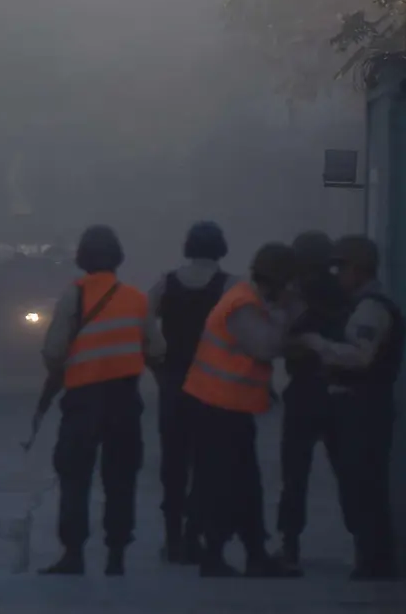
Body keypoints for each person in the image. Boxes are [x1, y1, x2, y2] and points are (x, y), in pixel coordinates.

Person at [33, 225, 165, 577]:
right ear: (117, 257)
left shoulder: (73, 296)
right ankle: (116, 555)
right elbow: (157, 349)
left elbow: (54, 351)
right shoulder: (137, 299)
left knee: (75, 478)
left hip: (83, 402)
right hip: (124, 401)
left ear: (82, 259)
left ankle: (73, 554)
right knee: (121, 480)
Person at [185, 242, 300, 578]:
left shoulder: (248, 298)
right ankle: (216, 555)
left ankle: (251, 553)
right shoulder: (243, 305)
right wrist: (285, 315)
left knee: (244, 483)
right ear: (277, 280)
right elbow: (264, 347)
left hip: (229, 406)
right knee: (225, 483)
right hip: (216, 407)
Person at [293, 235, 403, 580]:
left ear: (358, 269)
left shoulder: (372, 306)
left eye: (341, 267)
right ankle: (371, 556)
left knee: (363, 483)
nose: (337, 275)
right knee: (357, 483)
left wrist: (317, 344)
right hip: (357, 406)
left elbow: (361, 355)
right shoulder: (360, 303)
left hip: (364, 406)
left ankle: (375, 560)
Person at [146, 221, 237, 565]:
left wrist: (156, 362)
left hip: (175, 382)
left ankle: (172, 539)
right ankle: (194, 535)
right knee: (207, 462)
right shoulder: (230, 286)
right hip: (214, 384)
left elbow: (142, 323)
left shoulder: (166, 284)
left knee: (174, 464)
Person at [274, 231, 348, 572]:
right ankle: (366, 544)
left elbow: (280, 341)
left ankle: (290, 547)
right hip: (339, 391)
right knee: (348, 471)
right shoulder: (346, 295)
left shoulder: (294, 298)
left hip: (303, 390)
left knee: (295, 475)